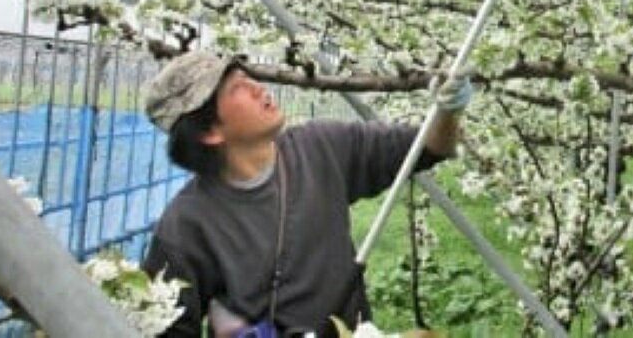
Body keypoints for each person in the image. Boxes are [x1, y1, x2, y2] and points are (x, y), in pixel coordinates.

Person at [141, 50, 471, 338]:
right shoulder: (186, 226)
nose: (259, 89)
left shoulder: (321, 146)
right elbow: (167, 330)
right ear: (209, 132)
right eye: (238, 89)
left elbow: (428, 147)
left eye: (249, 77)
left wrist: (447, 111)